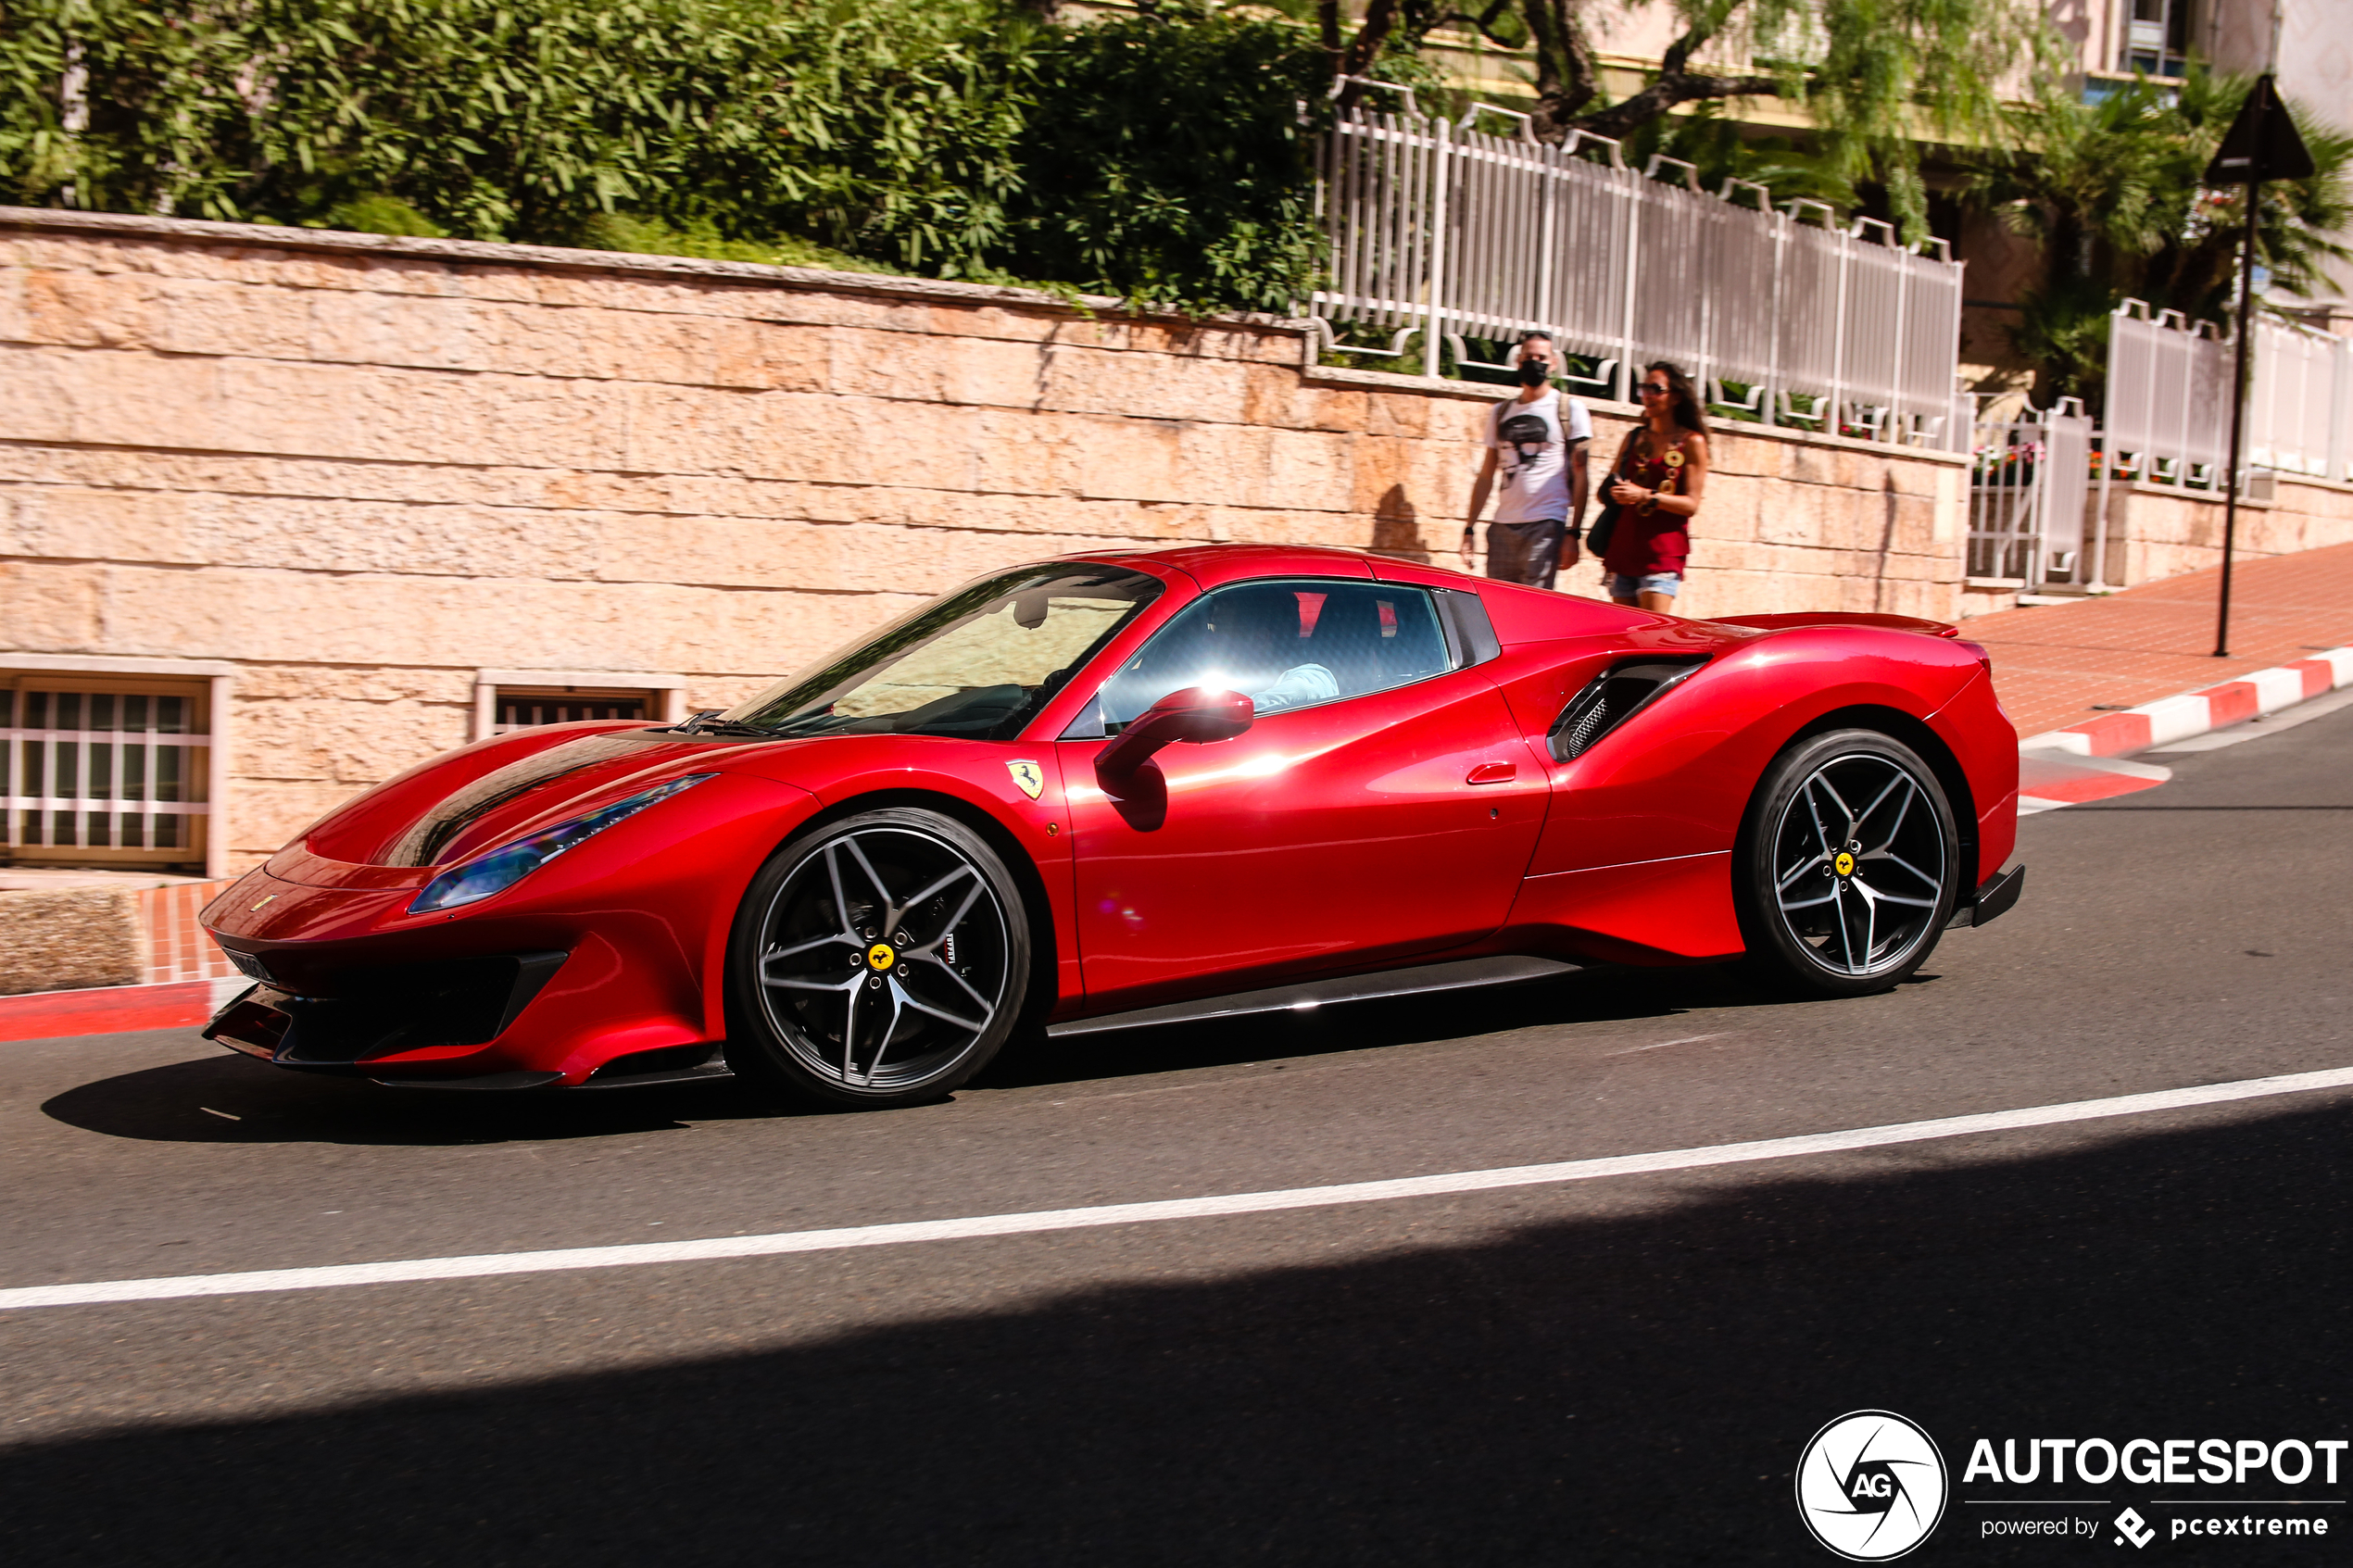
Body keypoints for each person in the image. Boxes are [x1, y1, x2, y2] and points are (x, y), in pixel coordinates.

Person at [1459, 332, 1592, 590]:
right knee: (1497, 608)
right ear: (1518, 360)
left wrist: (1573, 533)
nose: (1535, 362)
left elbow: (1581, 472)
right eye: (1528, 356)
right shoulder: (1501, 412)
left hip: (1546, 523)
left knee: (1533, 607)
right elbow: (1487, 473)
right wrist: (1469, 529)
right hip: (1503, 527)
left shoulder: (1569, 409)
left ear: (1553, 363)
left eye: (1541, 357)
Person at [1600, 360, 1709, 613]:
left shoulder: (1691, 442)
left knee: (1652, 635)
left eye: (1656, 389)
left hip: (1662, 554)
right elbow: (1609, 485)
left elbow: (1691, 504)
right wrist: (1615, 491)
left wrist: (1643, 495)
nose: (1647, 395)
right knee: (1624, 636)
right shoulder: (1634, 437)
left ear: (1675, 397)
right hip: (1624, 549)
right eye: (1644, 388)